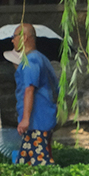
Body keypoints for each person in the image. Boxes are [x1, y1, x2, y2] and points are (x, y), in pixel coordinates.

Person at [12, 23, 59, 166]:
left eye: (14, 37)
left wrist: (25, 119)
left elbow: (29, 89)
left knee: (40, 163)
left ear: (24, 37)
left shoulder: (31, 61)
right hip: (40, 120)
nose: (12, 40)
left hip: (36, 122)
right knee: (24, 163)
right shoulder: (41, 59)